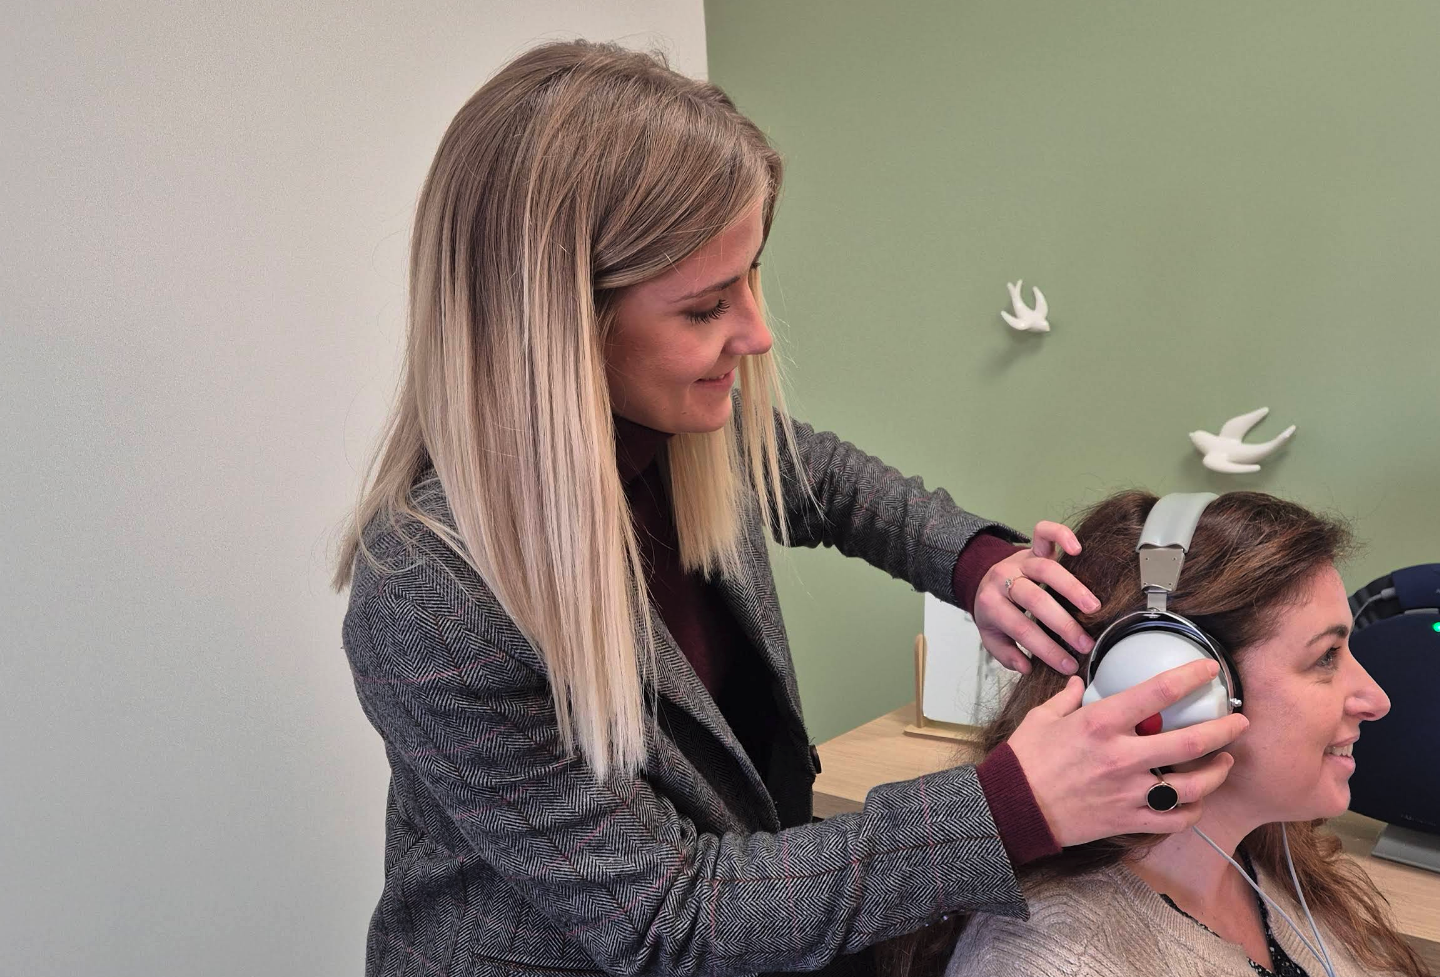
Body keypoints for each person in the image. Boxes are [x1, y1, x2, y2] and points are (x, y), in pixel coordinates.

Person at [332, 40, 1248, 977]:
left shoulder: (673, 425)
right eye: (703, 308)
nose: (757, 332)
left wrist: (981, 567)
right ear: (560, 325)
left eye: (752, 275)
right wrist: (1009, 807)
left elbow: (825, 482)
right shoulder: (432, 600)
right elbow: (667, 917)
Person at [883, 490, 1433, 977]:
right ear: (1164, 685)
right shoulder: (1062, 962)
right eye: (1326, 657)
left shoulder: (1268, 860)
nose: (1376, 700)